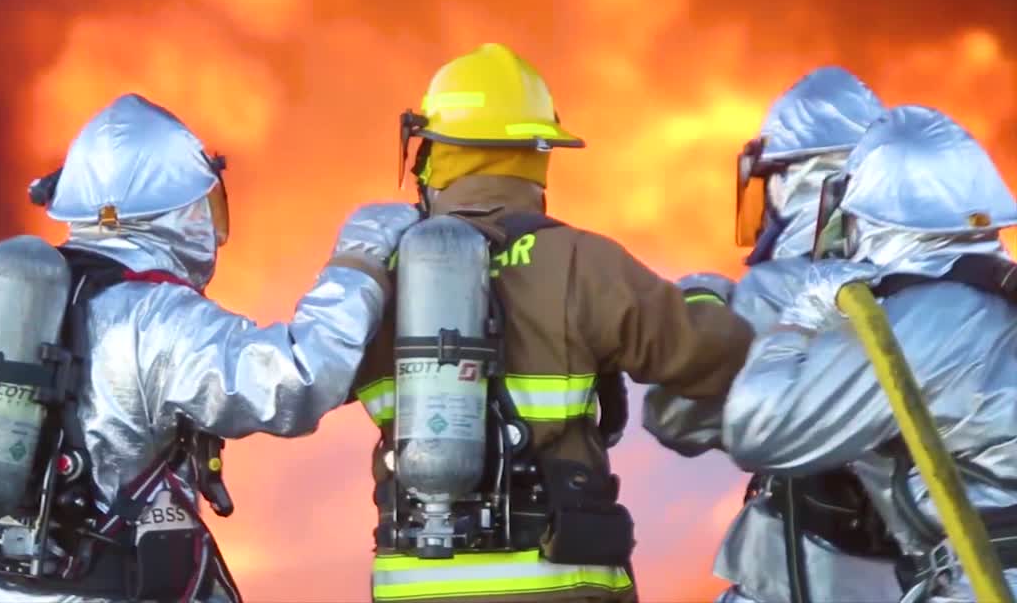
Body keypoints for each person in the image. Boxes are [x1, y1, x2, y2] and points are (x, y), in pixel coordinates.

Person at [0, 93, 419, 603]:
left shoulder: (34, 300)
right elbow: (295, 382)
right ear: (175, 213)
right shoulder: (156, 317)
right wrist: (359, 262)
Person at [349, 43, 756, 603]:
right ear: (536, 154)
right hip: (557, 582)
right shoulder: (578, 262)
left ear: (432, 152)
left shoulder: (376, 274)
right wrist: (706, 299)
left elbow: (307, 377)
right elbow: (709, 358)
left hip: (415, 587)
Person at [722, 105, 1017, 603]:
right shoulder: (997, 298)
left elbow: (758, 430)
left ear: (873, 221)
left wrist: (799, 319)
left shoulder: (917, 324)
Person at [641, 66, 900, 603]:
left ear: (791, 182)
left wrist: (704, 307)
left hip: (808, 578)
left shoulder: (779, 290)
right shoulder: (947, 285)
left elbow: (675, 419)